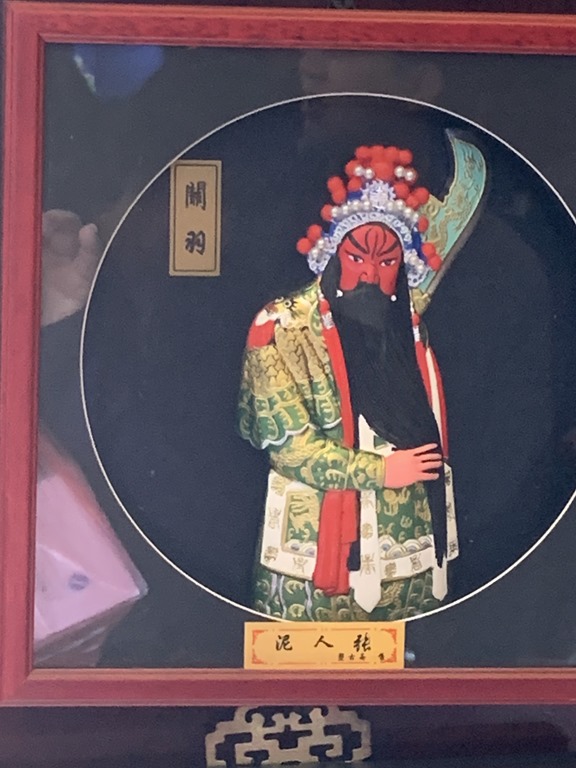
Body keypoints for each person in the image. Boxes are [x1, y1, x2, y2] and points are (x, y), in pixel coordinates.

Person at [237, 143, 471, 621]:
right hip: (315, 554)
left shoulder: (407, 327)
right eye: (357, 257)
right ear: (332, 256)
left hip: (411, 544)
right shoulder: (281, 328)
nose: (369, 275)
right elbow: (291, 450)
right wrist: (384, 472)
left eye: (386, 263)